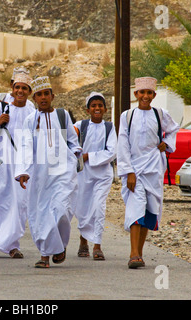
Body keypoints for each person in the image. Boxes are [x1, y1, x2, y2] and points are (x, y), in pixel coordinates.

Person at [15, 76, 81, 268]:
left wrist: (75, 154)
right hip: (40, 175)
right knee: (42, 214)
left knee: (61, 210)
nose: (43, 98)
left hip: (63, 172)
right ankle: (45, 255)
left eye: (46, 94)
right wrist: (24, 171)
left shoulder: (62, 115)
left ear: (52, 96)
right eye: (39, 95)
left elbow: (72, 140)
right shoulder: (29, 120)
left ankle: (60, 245)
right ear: (34, 98)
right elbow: (25, 145)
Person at [117, 77, 179, 269]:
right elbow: (123, 144)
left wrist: (166, 144)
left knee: (149, 210)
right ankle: (133, 253)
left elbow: (173, 130)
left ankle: (139, 252)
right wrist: (129, 172)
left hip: (153, 169)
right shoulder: (127, 116)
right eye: (141, 92)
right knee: (136, 208)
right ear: (135, 94)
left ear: (154, 95)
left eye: (149, 93)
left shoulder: (160, 114)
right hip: (135, 169)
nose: (145, 96)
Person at [0, 73, 35, 258]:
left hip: (22, 163)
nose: (20, 91)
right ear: (12, 88)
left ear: (29, 92)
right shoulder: (0, 107)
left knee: (19, 203)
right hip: (1, 161)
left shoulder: (32, 110)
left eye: (24, 88)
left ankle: (12, 245)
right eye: (17, 87)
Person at [73, 92, 117, 261]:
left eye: (100, 105)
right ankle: (83, 241)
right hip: (83, 174)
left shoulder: (109, 127)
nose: (97, 108)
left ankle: (97, 245)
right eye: (94, 106)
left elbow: (112, 151)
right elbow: (69, 141)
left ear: (105, 109)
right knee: (82, 208)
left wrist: (88, 156)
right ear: (87, 110)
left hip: (102, 175)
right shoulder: (80, 125)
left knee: (98, 207)